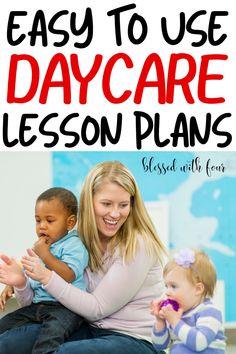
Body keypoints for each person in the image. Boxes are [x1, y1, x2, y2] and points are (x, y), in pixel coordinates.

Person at [0, 160, 166, 354]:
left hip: (133, 339)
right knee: (8, 343)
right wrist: (20, 282)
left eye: (123, 205)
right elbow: (37, 300)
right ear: (90, 202)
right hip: (90, 329)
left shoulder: (138, 244)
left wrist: (46, 276)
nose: (115, 213)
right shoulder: (77, 239)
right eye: (106, 204)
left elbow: (97, 308)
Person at [0, 187, 88, 354]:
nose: (42, 226)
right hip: (38, 306)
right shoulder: (41, 246)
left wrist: (45, 254)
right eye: (38, 220)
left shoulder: (74, 245)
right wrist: (10, 286)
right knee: (5, 324)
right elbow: (27, 272)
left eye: (49, 220)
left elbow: (68, 275)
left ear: (70, 222)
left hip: (66, 309)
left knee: (48, 339)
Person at [150, 248, 226, 353]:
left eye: (174, 286)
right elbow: (160, 345)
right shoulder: (177, 314)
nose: (167, 292)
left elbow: (199, 342)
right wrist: (160, 321)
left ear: (198, 289)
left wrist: (175, 322)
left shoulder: (210, 312)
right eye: (166, 286)